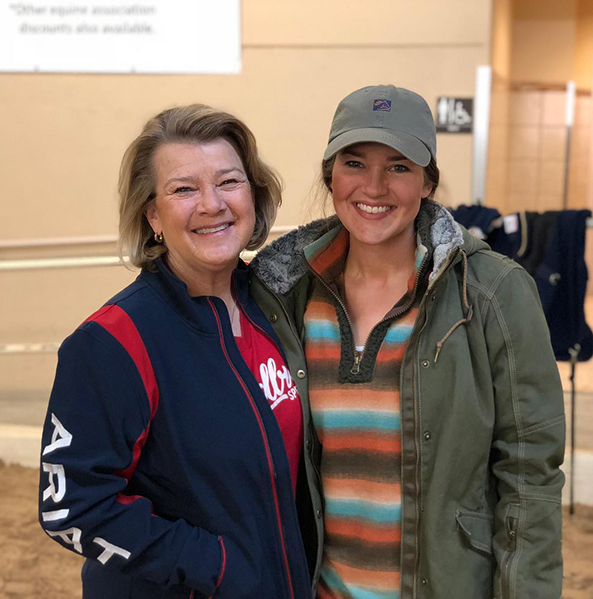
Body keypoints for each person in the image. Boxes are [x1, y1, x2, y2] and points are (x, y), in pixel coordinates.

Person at [249, 85, 565, 598]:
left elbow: (530, 474)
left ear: (427, 182)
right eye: (354, 163)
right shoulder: (284, 294)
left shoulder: (492, 293)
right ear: (331, 176)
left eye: (398, 167)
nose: (374, 187)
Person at [38, 104, 321, 599]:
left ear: (253, 195)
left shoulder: (277, 312)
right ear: (153, 215)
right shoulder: (113, 341)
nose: (212, 204)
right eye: (183, 189)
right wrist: (215, 566)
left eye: (229, 182)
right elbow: (71, 505)